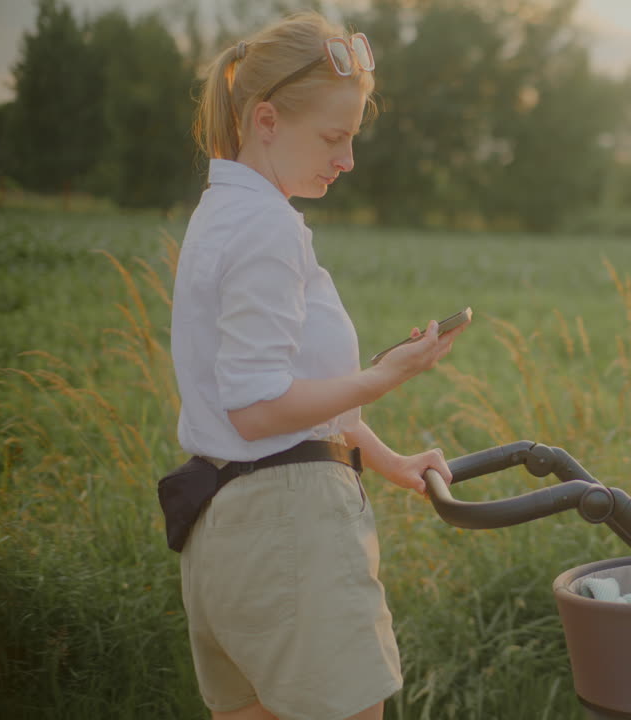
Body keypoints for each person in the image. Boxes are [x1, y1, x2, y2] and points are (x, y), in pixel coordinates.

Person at [171, 11, 466, 720]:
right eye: (335, 137)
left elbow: (276, 402)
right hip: (289, 529)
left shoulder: (221, 212)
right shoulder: (268, 228)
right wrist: (385, 376)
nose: (348, 159)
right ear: (266, 119)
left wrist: (387, 459)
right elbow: (259, 408)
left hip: (225, 530)